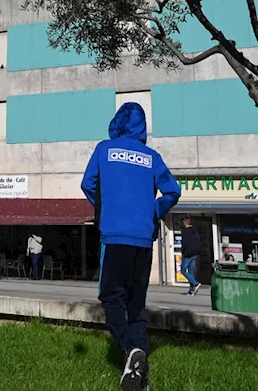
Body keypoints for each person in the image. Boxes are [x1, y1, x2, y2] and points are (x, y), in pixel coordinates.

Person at [82, 102, 181, 391]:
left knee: (111, 298)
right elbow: (173, 191)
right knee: (136, 305)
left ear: (117, 123)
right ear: (142, 127)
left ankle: (129, 350)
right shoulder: (152, 157)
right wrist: (154, 211)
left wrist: (106, 209)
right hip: (143, 240)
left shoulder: (104, 149)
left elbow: (88, 184)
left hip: (114, 238)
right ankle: (138, 373)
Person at [180, 216, 201, 296]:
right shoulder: (194, 231)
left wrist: (183, 251)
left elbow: (184, 243)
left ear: (185, 222)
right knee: (191, 271)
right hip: (195, 253)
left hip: (188, 253)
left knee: (183, 270)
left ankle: (195, 283)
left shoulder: (185, 231)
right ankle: (191, 290)